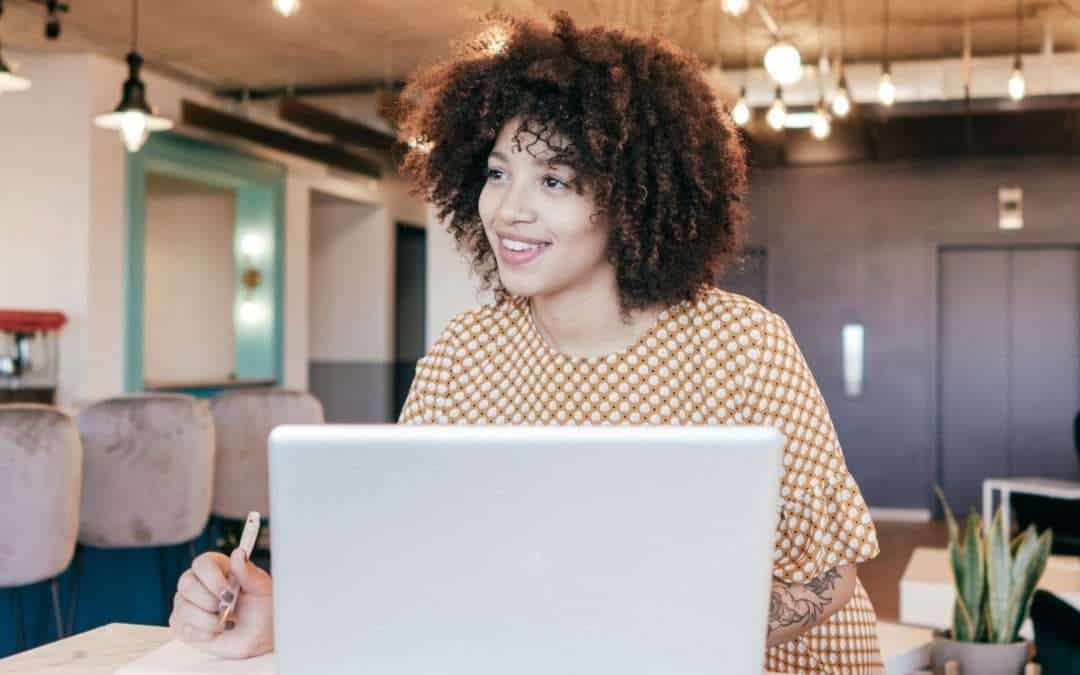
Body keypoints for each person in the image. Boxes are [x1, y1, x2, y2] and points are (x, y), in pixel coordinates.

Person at [169, 12, 883, 673]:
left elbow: (829, 572)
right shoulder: (465, 355)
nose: (510, 208)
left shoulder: (742, 344)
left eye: (555, 178)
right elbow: (408, 557)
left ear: (632, 198)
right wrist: (282, 615)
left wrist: (659, 623)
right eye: (498, 172)